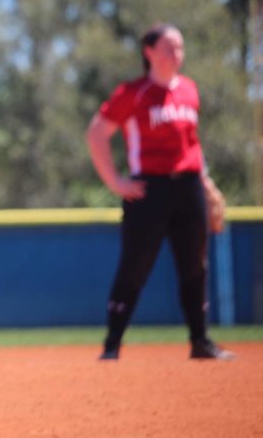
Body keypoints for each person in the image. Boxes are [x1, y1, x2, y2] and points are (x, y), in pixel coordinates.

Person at [85, 22, 235, 361]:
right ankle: (112, 345)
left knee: (195, 265)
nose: (176, 54)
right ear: (148, 52)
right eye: (169, 47)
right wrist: (115, 182)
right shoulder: (133, 92)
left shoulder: (189, 91)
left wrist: (207, 184)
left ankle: (200, 341)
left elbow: (192, 143)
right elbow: (97, 133)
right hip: (149, 188)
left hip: (189, 185)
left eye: (180, 47)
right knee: (135, 266)